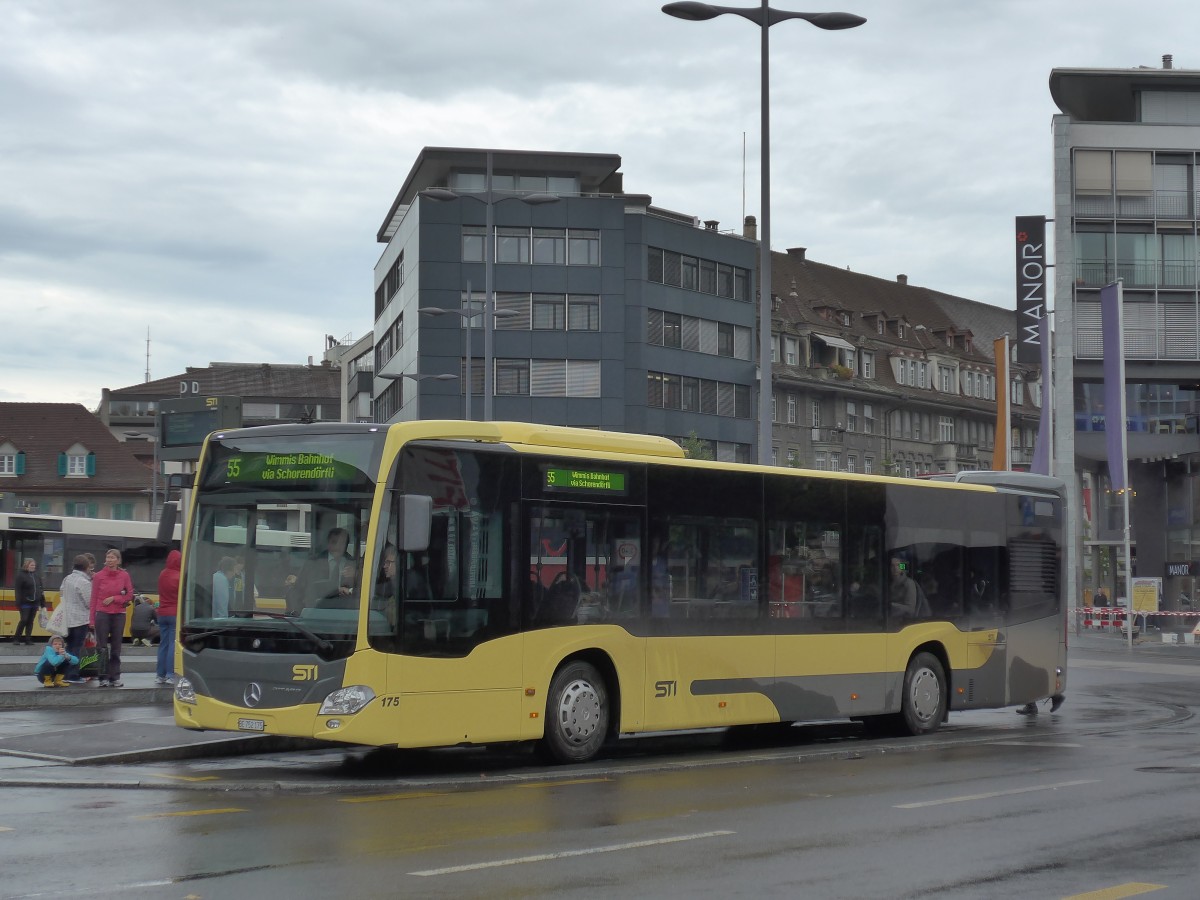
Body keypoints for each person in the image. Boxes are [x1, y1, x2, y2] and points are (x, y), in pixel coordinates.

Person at [89, 548, 135, 688]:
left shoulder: (124, 575)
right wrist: (91, 620)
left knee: (116, 647)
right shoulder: (98, 576)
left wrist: (115, 598)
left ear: (118, 560)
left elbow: (129, 595)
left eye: (112, 557)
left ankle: (115, 677)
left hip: (119, 615)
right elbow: (93, 598)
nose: (109, 560)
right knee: (102, 646)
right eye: (108, 557)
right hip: (102, 614)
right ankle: (102, 677)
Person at [58, 554, 94, 683]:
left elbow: (61, 594)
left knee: (69, 647)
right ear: (86, 567)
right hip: (80, 620)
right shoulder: (84, 582)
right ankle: (73, 675)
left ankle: (65, 673)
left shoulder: (67, 579)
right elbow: (89, 602)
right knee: (77, 648)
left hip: (67, 620)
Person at [155, 549, 180, 685]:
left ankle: (160, 675)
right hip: (174, 613)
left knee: (163, 644)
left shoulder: (162, 573)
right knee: (172, 644)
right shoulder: (179, 576)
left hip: (162, 613)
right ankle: (171, 674)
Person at [14, 558, 47, 645]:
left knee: (31, 621)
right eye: (32, 565)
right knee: (24, 620)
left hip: (35, 602)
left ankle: (28, 639)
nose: (33, 567)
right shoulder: (21, 575)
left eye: (34, 565)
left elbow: (41, 589)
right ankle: (17, 638)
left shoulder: (36, 575)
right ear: (27, 565)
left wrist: (43, 603)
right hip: (25, 602)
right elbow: (18, 589)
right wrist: (18, 601)